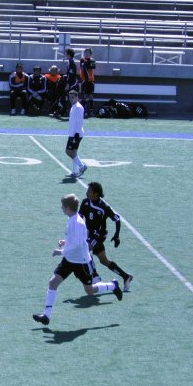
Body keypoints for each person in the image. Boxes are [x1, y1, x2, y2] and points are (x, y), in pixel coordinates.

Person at [33, 193, 123, 326]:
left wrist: (61, 251)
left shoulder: (77, 222)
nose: (61, 208)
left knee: (90, 290)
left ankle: (113, 286)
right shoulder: (73, 219)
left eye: (62, 206)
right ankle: (46, 316)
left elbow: (78, 244)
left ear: (68, 208)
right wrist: (66, 241)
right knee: (53, 283)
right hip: (69, 260)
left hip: (81, 262)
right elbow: (76, 239)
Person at [80, 181, 134, 292]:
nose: (87, 192)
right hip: (89, 235)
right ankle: (126, 276)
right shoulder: (85, 202)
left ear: (96, 193)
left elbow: (117, 219)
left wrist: (117, 235)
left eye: (89, 191)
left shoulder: (103, 207)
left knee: (84, 251)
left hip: (99, 236)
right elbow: (79, 217)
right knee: (104, 260)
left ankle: (95, 276)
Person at [66, 90, 87, 178]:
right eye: (70, 97)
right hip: (73, 133)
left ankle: (82, 166)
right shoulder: (74, 106)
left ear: (77, 97)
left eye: (73, 97)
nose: (71, 99)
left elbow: (80, 122)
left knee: (68, 151)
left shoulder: (78, 107)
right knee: (74, 152)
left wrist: (76, 134)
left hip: (76, 134)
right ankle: (75, 171)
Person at [79, 47, 96, 117]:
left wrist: (87, 64)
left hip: (91, 80)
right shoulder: (82, 60)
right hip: (84, 80)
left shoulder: (92, 60)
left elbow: (93, 67)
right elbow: (82, 67)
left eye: (88, 52)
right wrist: (86, 64)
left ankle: (91, 111)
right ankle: (84, 111)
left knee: (91, 96)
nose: (86, 53)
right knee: (84, 96)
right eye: (85, 52)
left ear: (90, 54)